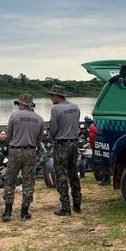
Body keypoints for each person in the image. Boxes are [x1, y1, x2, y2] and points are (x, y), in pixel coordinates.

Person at [3, 94, 45, 221]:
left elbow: (9, 135)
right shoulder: (39, 118)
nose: (18, 106)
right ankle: (24, 211)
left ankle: (8, 211)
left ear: (23, 104)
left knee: (10, 181)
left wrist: (13, 145)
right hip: (31, 151)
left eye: (19, 104)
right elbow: (40, 139)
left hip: (15, 151)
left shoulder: (14, 115)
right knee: (28, 182)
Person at [48, 85, 82, 216]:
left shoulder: (56, 109)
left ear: (57, 96)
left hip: (61, 144)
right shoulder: (75, 107)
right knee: (74, 173)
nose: (51, 98)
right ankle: (77, 204)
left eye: (52, 96)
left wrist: (54, 137)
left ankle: (65, 207)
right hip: (74, 144)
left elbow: (53, 130)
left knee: (61, 176)